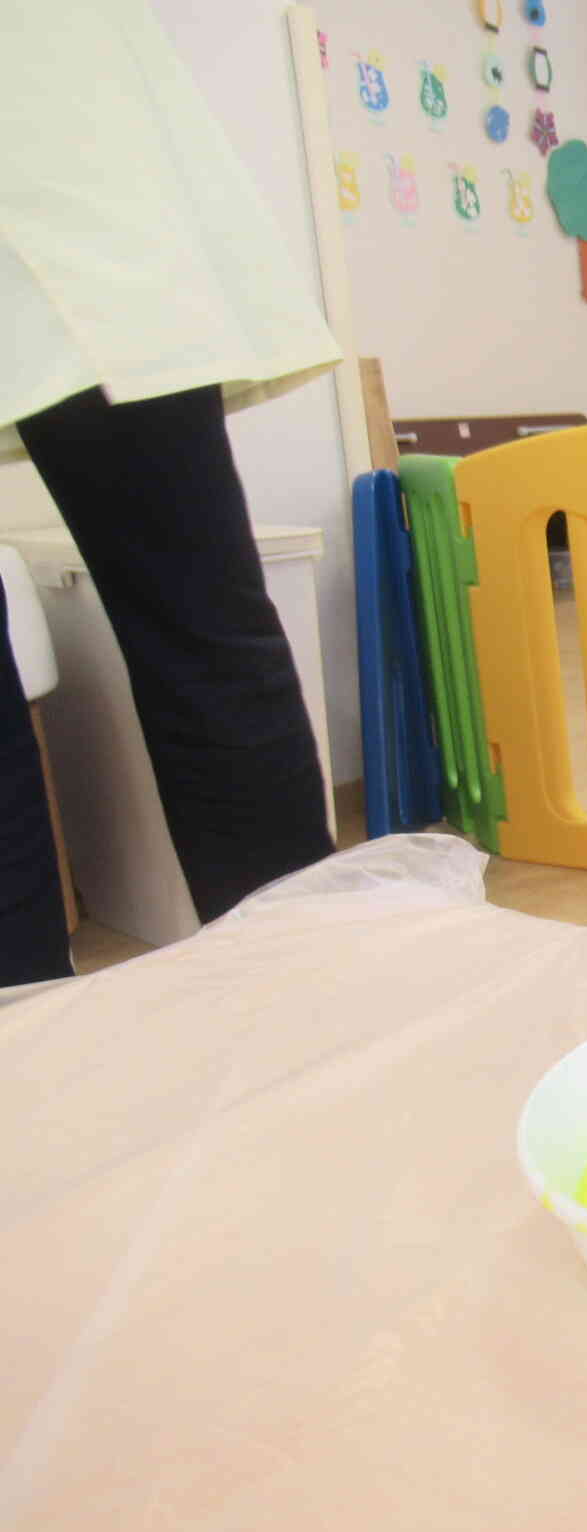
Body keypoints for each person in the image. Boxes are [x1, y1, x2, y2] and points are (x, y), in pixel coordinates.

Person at [0, 1, 340, 985]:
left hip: (70, 161)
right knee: (205, 632)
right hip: (80, 168)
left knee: (204, 630)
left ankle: (316, 993)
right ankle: (32, 1056)